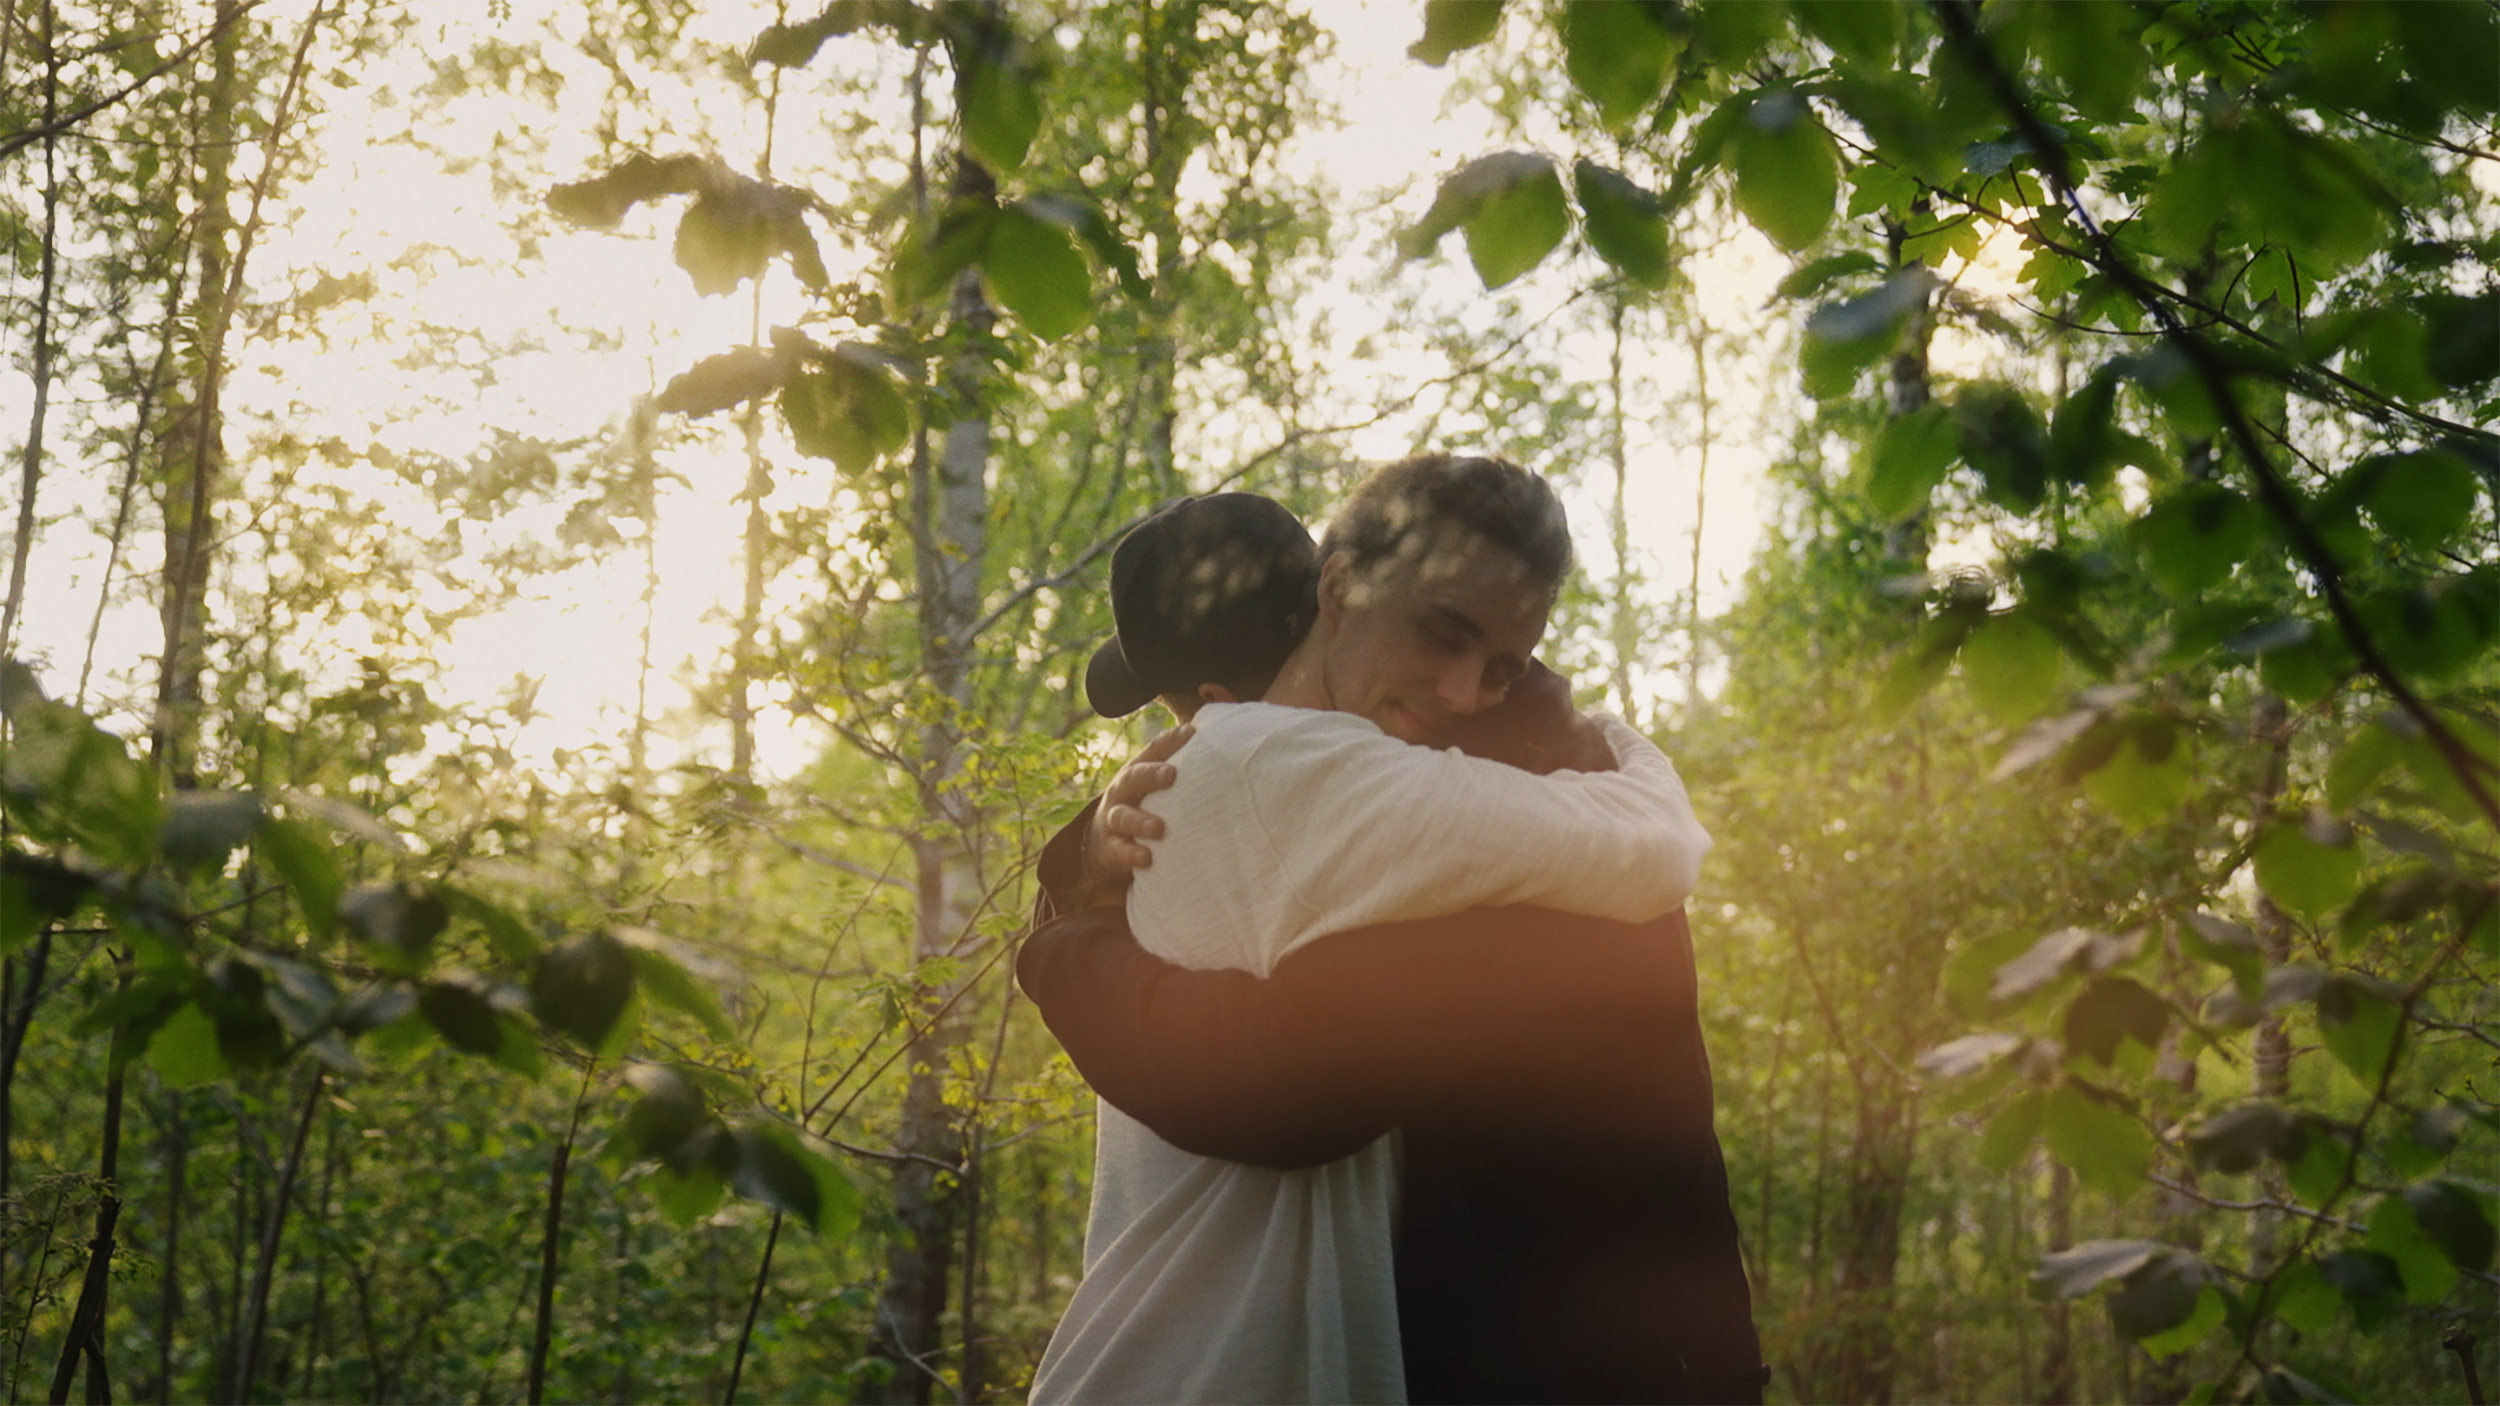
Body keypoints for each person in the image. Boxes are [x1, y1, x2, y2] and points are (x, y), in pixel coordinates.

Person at [1023, 459, 1724, 1404]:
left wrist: (1064, 937)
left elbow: (1289, 1076)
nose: (1468, 690)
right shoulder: (1312, 769)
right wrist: (1073, 886)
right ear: (1333, 589)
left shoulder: (1326, 779)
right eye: (1441, 634)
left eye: (1500, 666)